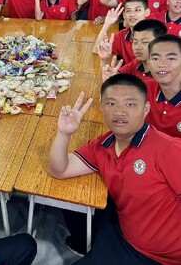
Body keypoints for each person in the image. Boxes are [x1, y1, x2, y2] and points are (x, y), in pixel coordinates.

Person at [48, 74, 181, 264]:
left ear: (146, 109)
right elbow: (59, 170)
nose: (119, 112)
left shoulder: (168, 149)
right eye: (111, 104)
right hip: (122, 231)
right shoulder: (102, 145)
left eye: (130, 104)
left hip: (158, 256)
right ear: (101, 108)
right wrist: (63, 133)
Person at [98, 19, 167, 81]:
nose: (138, 47)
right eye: (135, 42)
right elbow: (113, 77)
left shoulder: (164, 76)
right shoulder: (137, 63)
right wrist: (105, 59)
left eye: (145, 42)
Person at [94, 0, 151, 64]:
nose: (132, 14)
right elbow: (96, 50)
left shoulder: (154, 35)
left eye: (137, 10)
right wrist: (107, 24)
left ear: (147, 12)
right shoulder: (122, 35)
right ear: (124, 15)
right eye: (128, 11)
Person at [146, 35, 181, 138]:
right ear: (148, 63)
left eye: (171, 58)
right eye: (156, 58)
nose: (162, 64)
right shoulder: (144, 88)